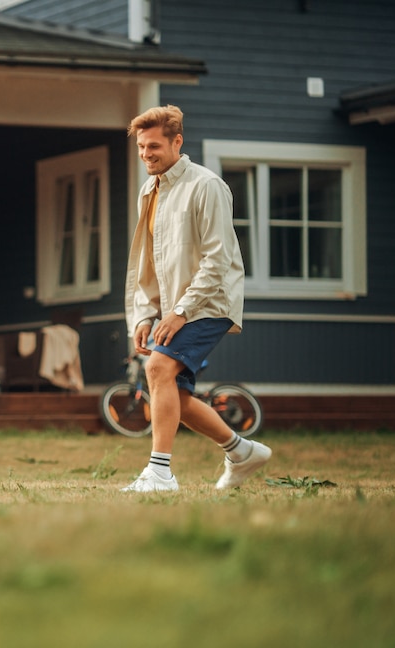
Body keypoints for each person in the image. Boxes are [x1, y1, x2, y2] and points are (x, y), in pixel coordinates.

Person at [119, 105, 271, 493]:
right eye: (141, 147)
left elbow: (218, 259)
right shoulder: (149, 191)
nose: (146, 154)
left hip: (208, 302)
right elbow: (148, 262)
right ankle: (241, 452)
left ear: (177, 142)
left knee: (156, 369)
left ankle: (160, 473)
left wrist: (182, 312)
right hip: (174, 309)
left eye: (153, 146)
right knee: (175, 395)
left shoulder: (206, 186)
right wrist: (144, 314)